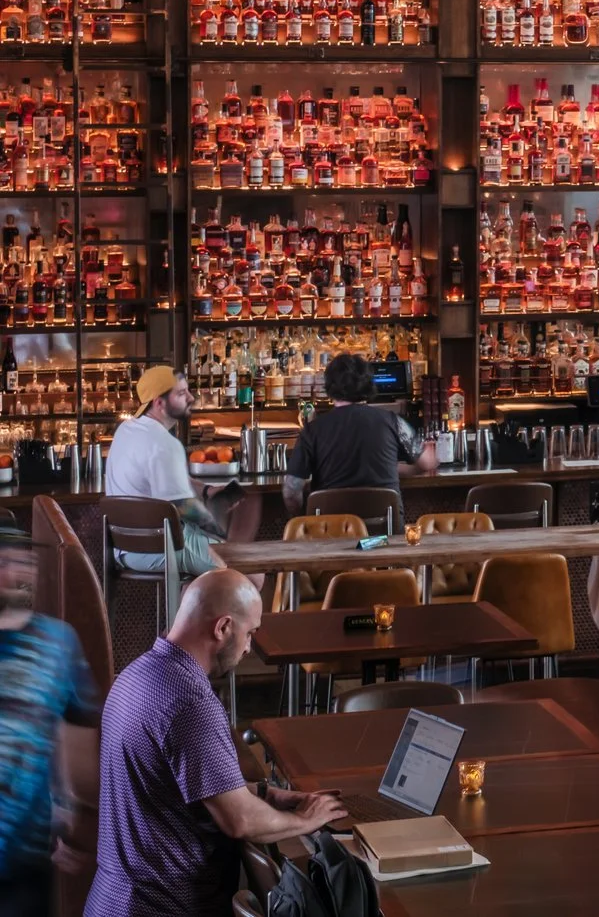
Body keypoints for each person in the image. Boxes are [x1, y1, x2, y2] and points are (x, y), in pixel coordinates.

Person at [88, 569, 347, 917]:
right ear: (223, 627)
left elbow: (168, 787)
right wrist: (305, 820)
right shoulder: (190, 701)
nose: (248, 646)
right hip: (165, 906)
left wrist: (265, 794)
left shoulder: (135, 674)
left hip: (112, 899)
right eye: (249, 633)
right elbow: (239, 820)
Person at [0, 525, 97, 917]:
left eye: (22, 561)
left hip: (28, 852)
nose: (13, 572)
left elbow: (72, 733)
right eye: (1, 562)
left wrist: (70, 816)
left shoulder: (59, 643)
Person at [105, 368, 251, 577]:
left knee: (207, 571)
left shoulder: (126, 431)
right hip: (161, 548)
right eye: (181, 394)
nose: (191, 398)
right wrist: (221, 530)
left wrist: (207, 490)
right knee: (253, 573)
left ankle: (195, 608)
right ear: (159, 403)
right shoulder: (166, 444)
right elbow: (185, 508)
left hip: (125, 548)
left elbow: (169, 479)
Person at [282, 355, 437, 516]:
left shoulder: (312, 430)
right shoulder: (393, 422)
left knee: (333, 537)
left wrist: (300, 520)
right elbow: (428, 462)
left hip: (329, 535)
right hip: (383, 537)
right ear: (369, 384)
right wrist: (392, 468)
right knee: (376, 540)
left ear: (328, 387)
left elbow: (291, 491)